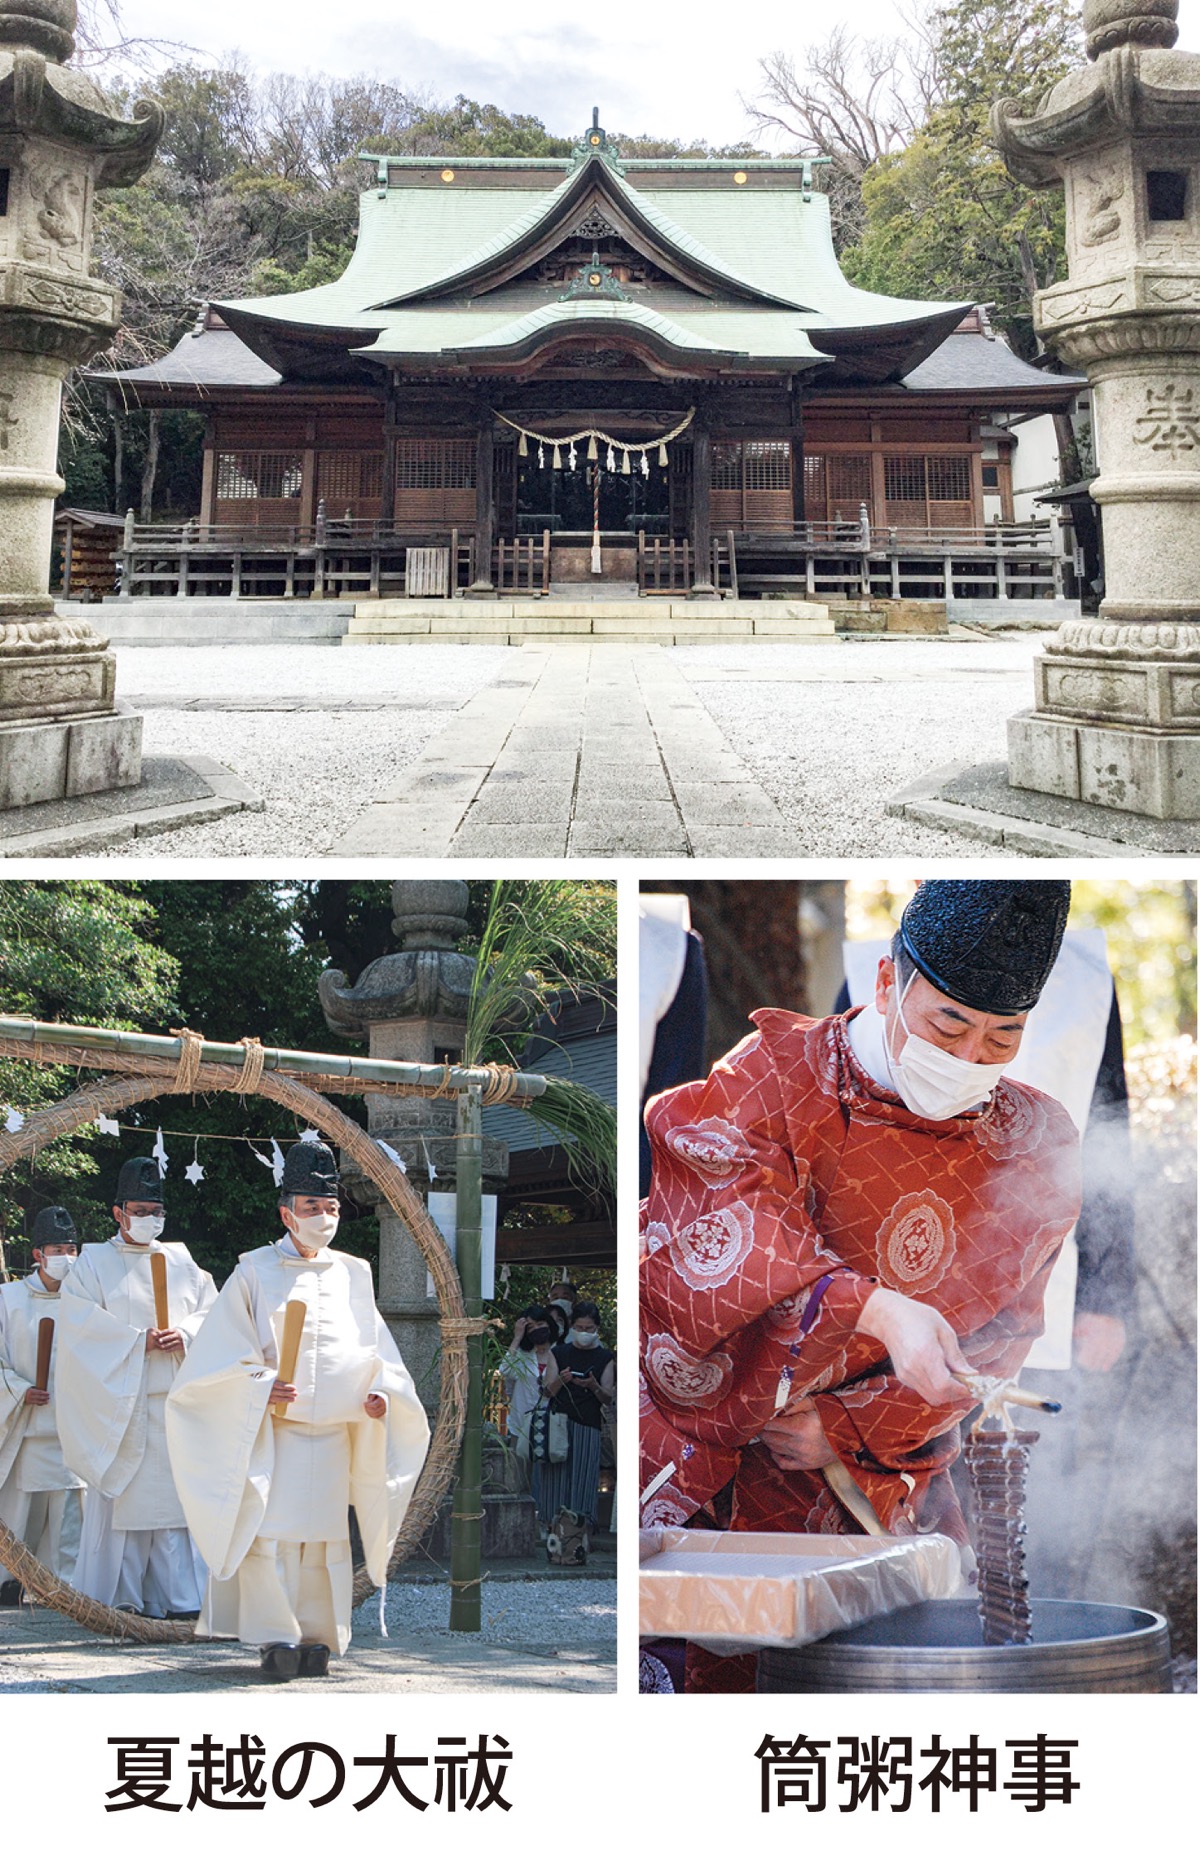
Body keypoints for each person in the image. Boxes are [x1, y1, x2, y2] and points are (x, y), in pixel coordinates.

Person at [639, 880, 1082, 1692]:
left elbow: (998, 1342)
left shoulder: (1034, 1140)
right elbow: (709, 1230)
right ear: (886, 983)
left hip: (867, 1486)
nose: (969, 1057)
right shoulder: (777, 1073)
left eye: (1001, 1038)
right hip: (719, 1461)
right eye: (948, 1023)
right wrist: (878, 1308)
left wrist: (840, 1427)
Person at [165, 1139, 430, 1680]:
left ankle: (318, 1638)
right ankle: (273, 1637)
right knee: (276, 1535)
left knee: (325, 1542)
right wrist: (259, 1385)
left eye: (331, 1208)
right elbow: (219, 1356)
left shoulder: (354, 1273)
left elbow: (375, 1347)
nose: (324, 1217)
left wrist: (382, 1393)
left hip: (334, 1434)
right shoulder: (254, 1273)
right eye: (313, 1208)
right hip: (277, 1434)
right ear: (288, 1213)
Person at [55, 1157, 216, 1618]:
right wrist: (134, 1342)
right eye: (140, 1211)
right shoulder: (93, 1264)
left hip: (174, 1401)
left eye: (155, 1211)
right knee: (125, 1503)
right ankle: (120, 1597)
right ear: (118, 1212)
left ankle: (181, 1597)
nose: (149, 1220)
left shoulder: (182, 1260)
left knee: (176, 1508)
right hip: (120, 1405)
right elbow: (79, 1327)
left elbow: (213, 1312)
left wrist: (184, 1335)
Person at [0, 1207, 86, 1602]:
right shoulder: (8, 1299)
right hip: (27, 1425)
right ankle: (11, 1578)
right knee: (21, 1512)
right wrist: (18, 1389)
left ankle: (63, 1584)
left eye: (72, 1248)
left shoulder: (85, 1300)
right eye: (58, 1248)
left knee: (69, 1513)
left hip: (71, 1425)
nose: (66, 1256)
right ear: (38, 1254)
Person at [543, 1302, 615, 1531]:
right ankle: (552, 1525)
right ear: (572, 1327)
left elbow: (607, 1397)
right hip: (558, 1421)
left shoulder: (605, 1357)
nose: (585, 1333)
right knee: (554, 1476)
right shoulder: (558, 1352)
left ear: (597, 1329)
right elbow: (546, 1391)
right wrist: (561, 1380)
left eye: (590, 1328)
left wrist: (593, 1386)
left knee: (585, 1478)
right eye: (581, 1327)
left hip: (589, 1422)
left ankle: (582, 1527)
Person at [498, 1305, 560, 1503]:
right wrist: (516, 1338)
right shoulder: (523, 1356)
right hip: (522, 1425)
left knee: (548, 1478)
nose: (537, 1330)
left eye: (540, 1324)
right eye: (530, 1327)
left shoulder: (560, 1351)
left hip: (552, 1424)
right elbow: (505, 1369)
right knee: (519, 1477)